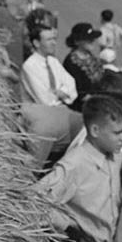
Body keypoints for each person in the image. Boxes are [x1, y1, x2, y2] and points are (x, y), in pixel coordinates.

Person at [33, 94, 122, 242]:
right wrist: (65, 222)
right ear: (95, 131)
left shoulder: (115, 158)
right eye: (117, 132)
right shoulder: (74, 165)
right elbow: (34, 200)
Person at [18, 25, 82, 170]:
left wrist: (61, 92)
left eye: (54, 39)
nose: (53, 42)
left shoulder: (53, 62)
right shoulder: (30, 66)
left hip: (60, 112)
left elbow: (72, 85)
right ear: (36, 43)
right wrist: (63, 94)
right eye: (49, 39)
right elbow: (45, 100)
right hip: (42, 117)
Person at [63, 22, 106, 111]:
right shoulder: (71, 63)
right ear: (77, 41)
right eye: (88, 39)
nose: (92, 41)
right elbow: (80, 93)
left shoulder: (91, 57)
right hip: (84, 109)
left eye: (92, 39)